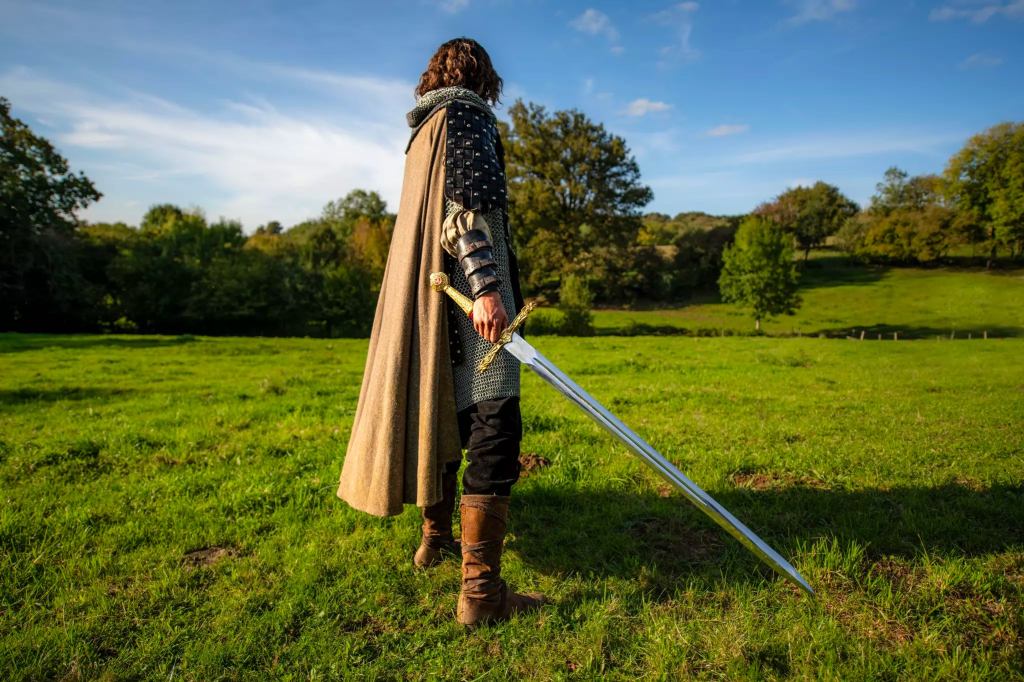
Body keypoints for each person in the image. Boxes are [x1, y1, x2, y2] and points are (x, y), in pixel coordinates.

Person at [336, 37, 544, 627]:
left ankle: (435, 538)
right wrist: (486, 288)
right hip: (468, 309)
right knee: (493, 428)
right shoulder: (468, 116)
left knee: (441, 416)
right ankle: (481, 595)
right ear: (483, 79)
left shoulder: (422, 132)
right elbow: (464, 212)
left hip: (430, 313)